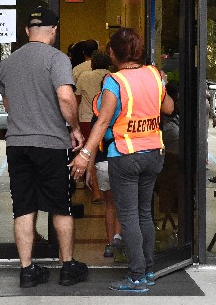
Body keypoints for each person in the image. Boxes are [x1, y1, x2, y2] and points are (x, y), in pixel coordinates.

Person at [70, 27, 174, 293]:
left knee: (127, 217)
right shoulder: (154, 74)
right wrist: (160, 84)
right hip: (153, 154)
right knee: (144, 214)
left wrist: (84, 155)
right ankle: (148, 270)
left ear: (113, 54)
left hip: (125, 156)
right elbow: (169, 108)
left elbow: (103, 120)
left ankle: (137, 275)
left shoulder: (115, 82)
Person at [0, 6, 88, 289]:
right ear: (54, 30)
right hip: (50, 143)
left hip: (17, 143)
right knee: (61, 206)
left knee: (23, 207)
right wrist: (74, 128)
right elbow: (65, 96)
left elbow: (8, 104)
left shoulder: (8, 63)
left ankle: (27, 270)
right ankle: (67, 266)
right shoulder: (57, 59)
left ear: (27, 31)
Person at [75, 50, 112, 202]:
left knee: (90, 154)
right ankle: (108, 189)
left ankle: (96, 191)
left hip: (86, 119)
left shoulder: (84, 76)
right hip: (108, 120)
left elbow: (76, 99)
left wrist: (74, 123)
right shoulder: (113, 76)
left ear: (92, 63)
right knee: (105, 154)